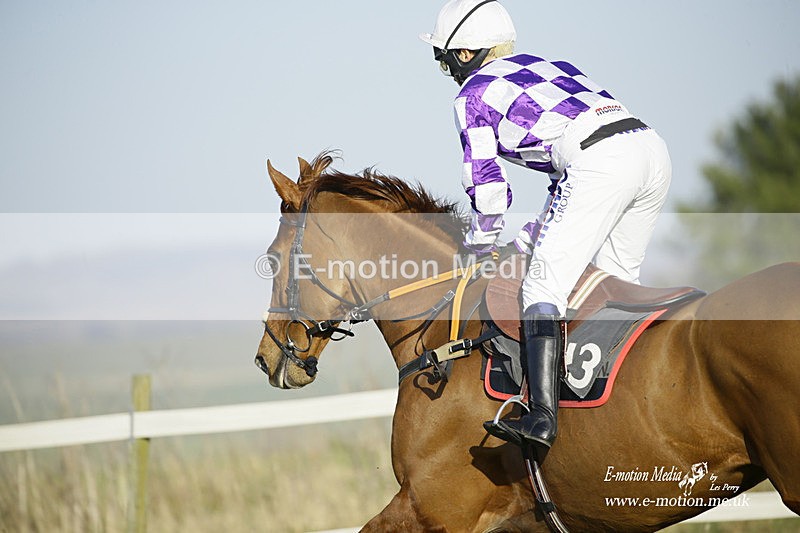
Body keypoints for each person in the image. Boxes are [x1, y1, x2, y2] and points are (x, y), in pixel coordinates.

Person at [420, 0, 672, 450]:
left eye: (444, 63)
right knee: (612, 284)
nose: (450, 75)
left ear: (464, 54)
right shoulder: (550, 64)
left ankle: (541, 419)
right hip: (650, 150)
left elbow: (488, 186)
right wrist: (529, 238)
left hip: (599, 163)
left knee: (541, 289)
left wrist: (480, 246)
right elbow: (569, 183)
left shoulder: (471, 94)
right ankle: (624, 407)